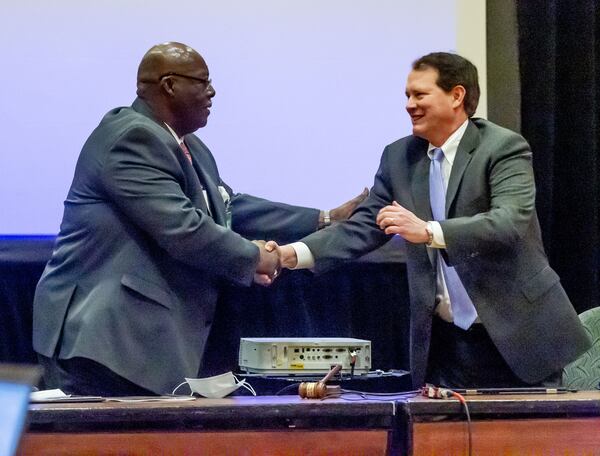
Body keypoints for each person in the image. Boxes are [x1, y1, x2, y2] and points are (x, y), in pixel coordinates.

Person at [33, 42, 366, 396]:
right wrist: (260, 257)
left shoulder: (186, 144)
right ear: (169, 85)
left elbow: (227, 206)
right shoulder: (132, 137)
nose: (212, 91)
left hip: (136, 343)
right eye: (202, 81)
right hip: (105, 339)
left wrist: (324, 218)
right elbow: (183, 227)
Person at [271, 52, 590, 389]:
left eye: (419, 94)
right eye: (407, 95)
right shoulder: (399, 157)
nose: (409, 104)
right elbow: (364, 225)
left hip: (517, 337)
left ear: (456, 95)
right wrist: (293, 254)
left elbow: (509, 223)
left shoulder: (503, 147)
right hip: (446, 344)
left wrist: (428, 231)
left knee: (527, 441)